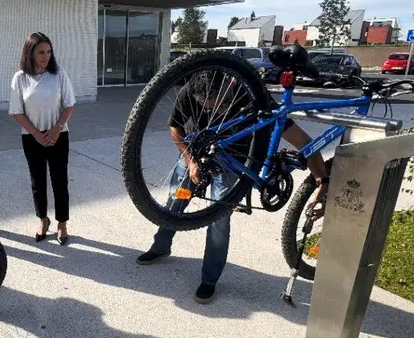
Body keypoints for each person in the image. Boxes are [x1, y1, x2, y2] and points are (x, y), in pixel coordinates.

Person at [136, 71, 329, 304]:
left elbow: (304, 142)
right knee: (174, 203)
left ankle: (209, 279)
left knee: (219, 220)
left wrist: (321, 179)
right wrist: (190, 161)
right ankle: (161, 247)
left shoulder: (254, 96)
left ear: (228, 86)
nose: (214, 110)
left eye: (220, 104)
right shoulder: (190, 90)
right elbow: (176, 128)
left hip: (234, 159)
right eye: (206, 106)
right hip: (196, 152)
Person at [9, 32, 76, 245]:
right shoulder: (20, 78)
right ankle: (42, 220)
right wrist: (36, 134)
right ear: (29, 53)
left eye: (48, 51)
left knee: (60, 181)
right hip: (31, 138)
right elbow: (17, 112)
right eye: (40, 52)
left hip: (58, 135)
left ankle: (62, 223)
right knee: (37, 182)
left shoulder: (59, 74)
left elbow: (69, 105)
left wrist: (57, 128)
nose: (46, 56)